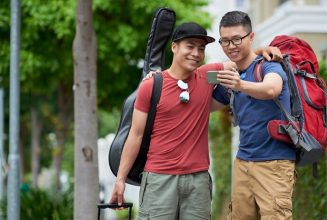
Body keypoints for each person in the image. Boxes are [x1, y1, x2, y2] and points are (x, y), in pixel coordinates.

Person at [109, 21, 282, 219]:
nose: (196, 53)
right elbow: (136, 135)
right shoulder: (152, 85)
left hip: (198, 181)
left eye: (201, 48)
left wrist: (263, 50)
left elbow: (243, 60)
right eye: (190, 46)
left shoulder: (207, 77)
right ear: (174, 47)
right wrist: (120, 180)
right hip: (159, 179)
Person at [212, 11, 296, 220]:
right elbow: (203, 107)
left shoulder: (268, 64)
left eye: (237, 39)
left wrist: (240, 84)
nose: (231, 46)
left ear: (251, 37)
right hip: (242, 163)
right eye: (225, 41)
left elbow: (271, 89)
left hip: (274, 164)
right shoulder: (231, 77)